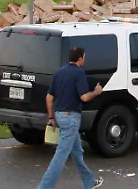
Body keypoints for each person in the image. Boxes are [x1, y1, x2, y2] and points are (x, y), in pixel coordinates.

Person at [37, 47, 104, 189]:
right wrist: (96, 92)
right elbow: (84, 97)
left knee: (77, 151)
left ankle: (89, 181)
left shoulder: (59, 72)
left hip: (59, 115)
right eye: (84, 57)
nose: (84, 59)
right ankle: (44, 187)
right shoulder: (79, 73)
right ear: (80, 58)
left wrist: (51, 117)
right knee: (60, 155)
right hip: (71, 118)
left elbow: (49, 97)